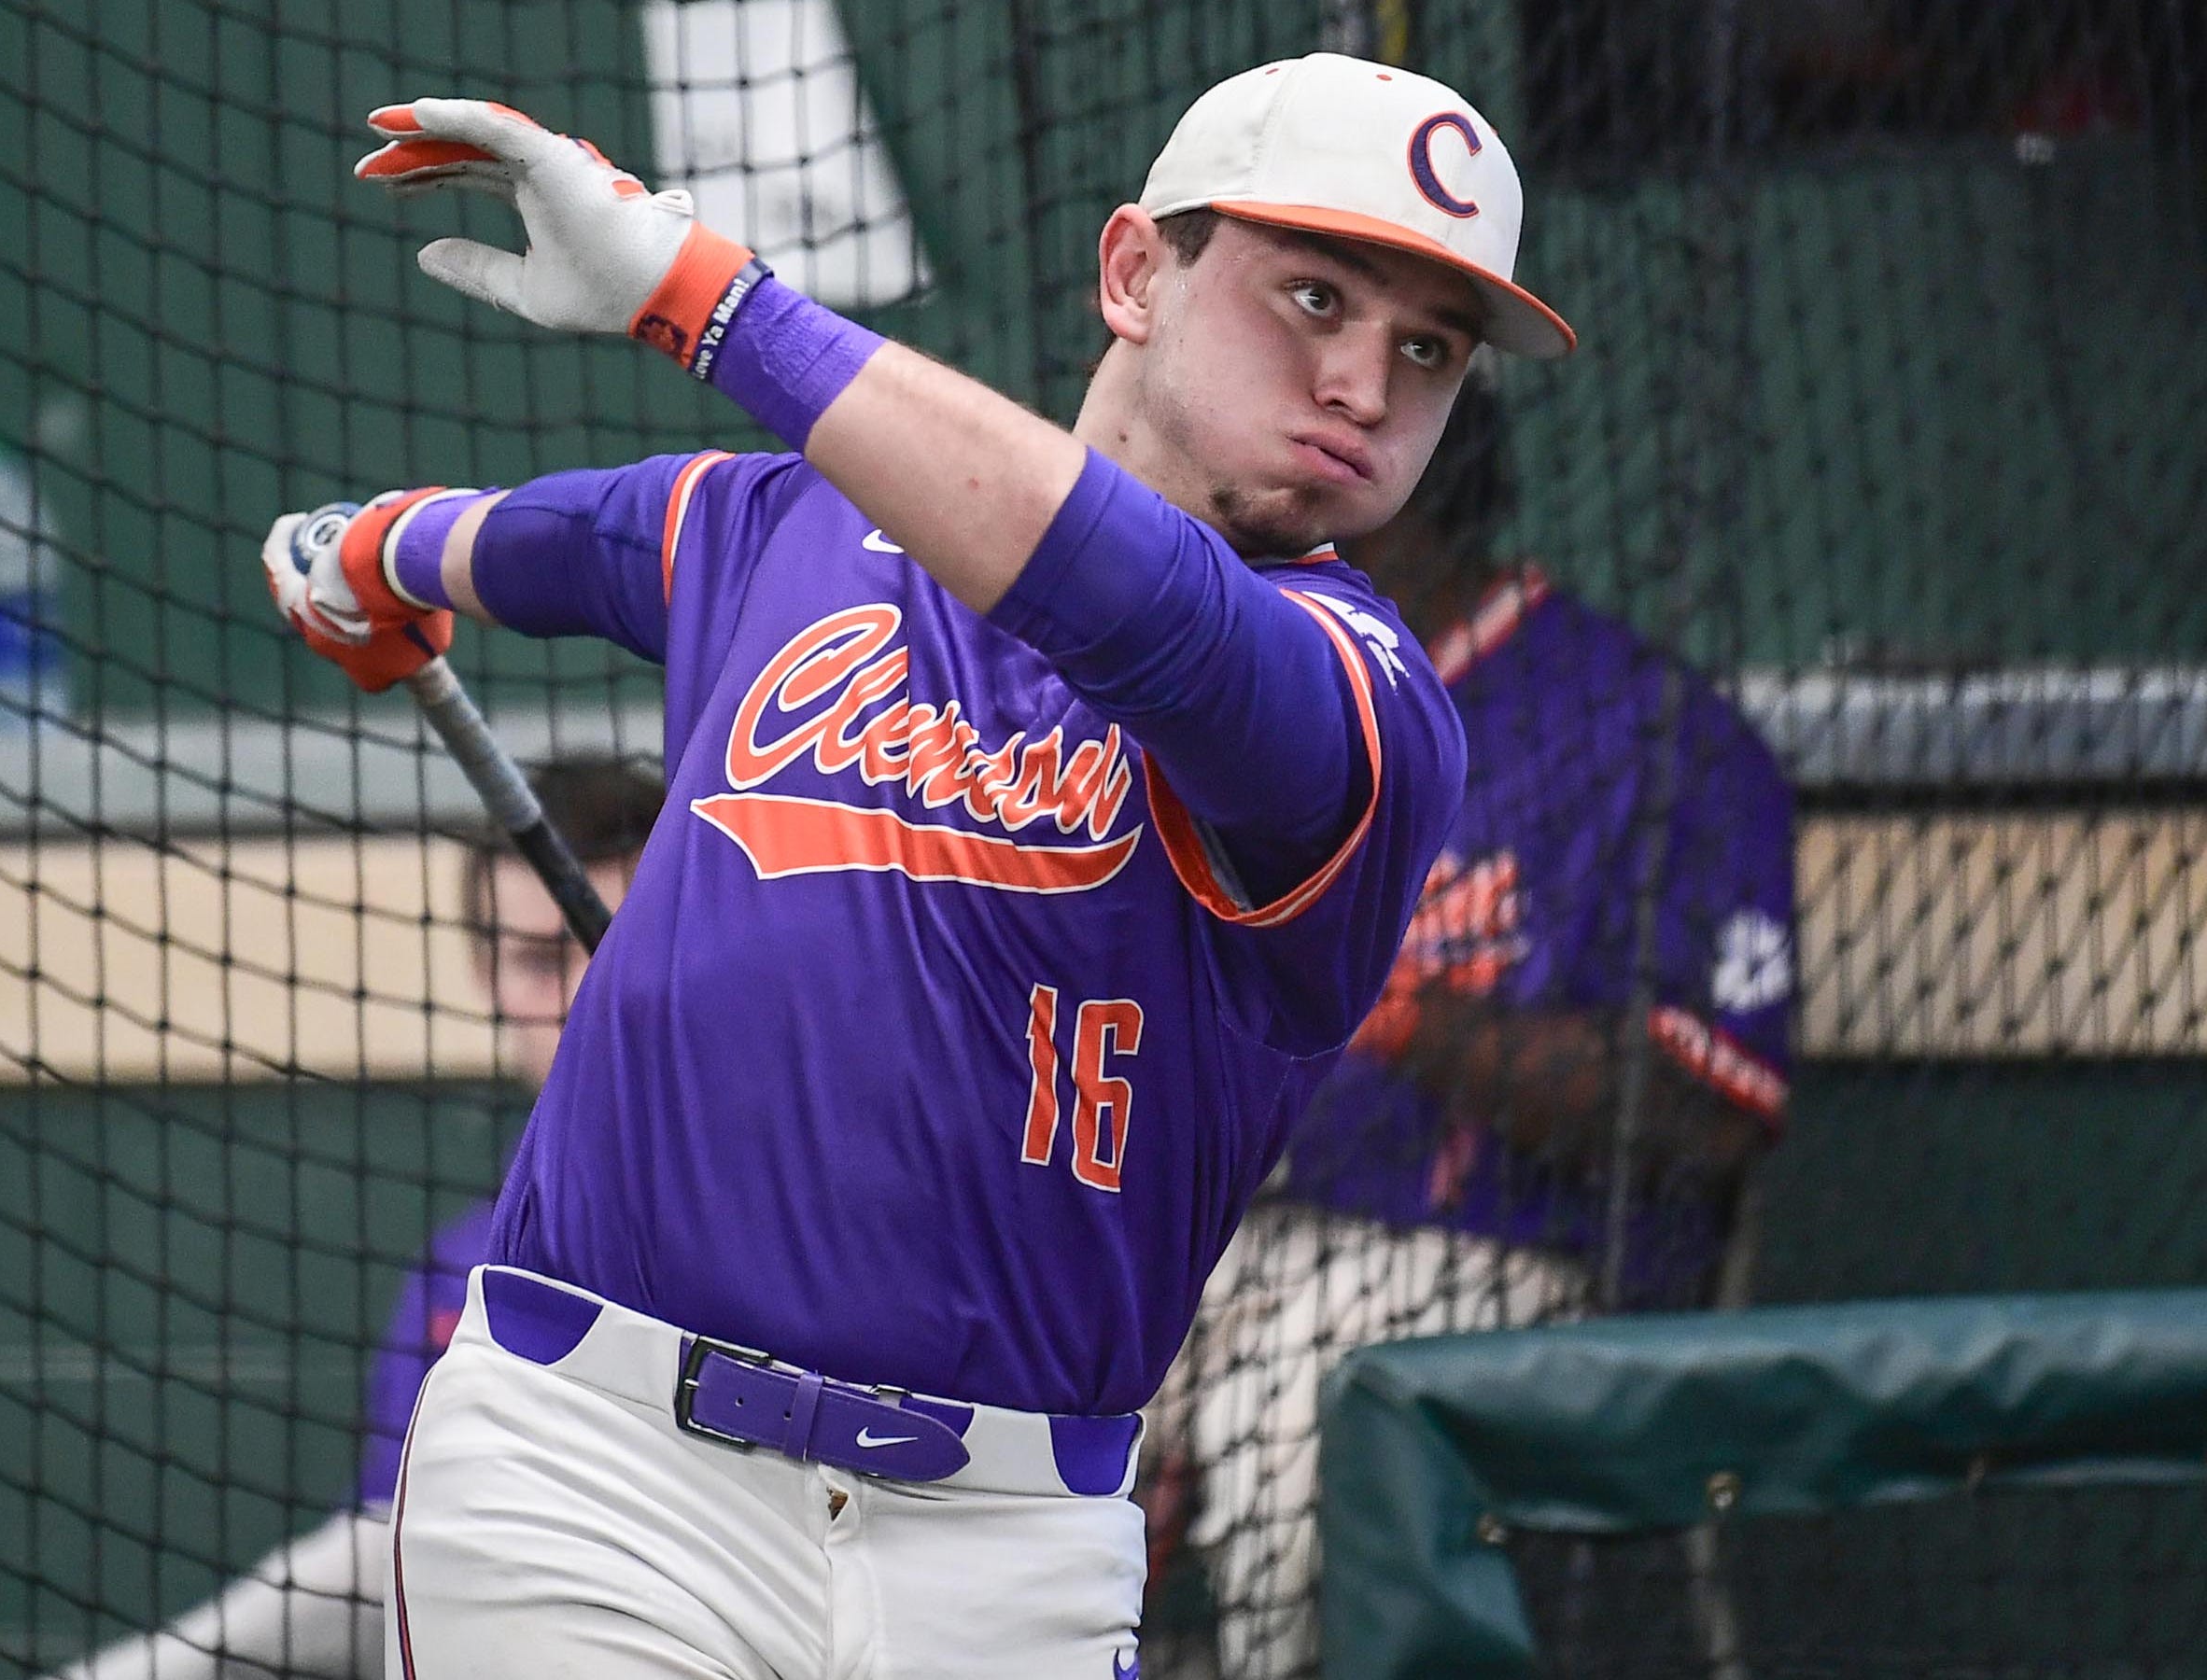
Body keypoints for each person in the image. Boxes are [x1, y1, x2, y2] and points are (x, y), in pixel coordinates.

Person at [259, 53, 1575, 1679]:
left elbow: (1130, 600)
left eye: (1425, 350)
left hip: (1005, 1548)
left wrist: (705, 298)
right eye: (1309, 295)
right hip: (597, 1472)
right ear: (1132, 274)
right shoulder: (782, 529)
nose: (1363, 386)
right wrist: (372, 554)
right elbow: (558, 540)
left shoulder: (1356, 707)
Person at [1151, 373, 1797, 1679]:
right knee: (968, 1369)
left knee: (1302, 1446)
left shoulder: (1646, 731)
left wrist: (1389, 1005)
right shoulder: (1223, 697)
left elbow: (1706, 1116)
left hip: (1505, 1271)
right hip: (1217, 1240)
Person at [51, 758, 665, 1680]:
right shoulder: (464, 1278)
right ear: (482, 973)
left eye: (608, 945)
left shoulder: (825, 1209)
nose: (578, 995)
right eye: (537, 961)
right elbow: (385, 1561)